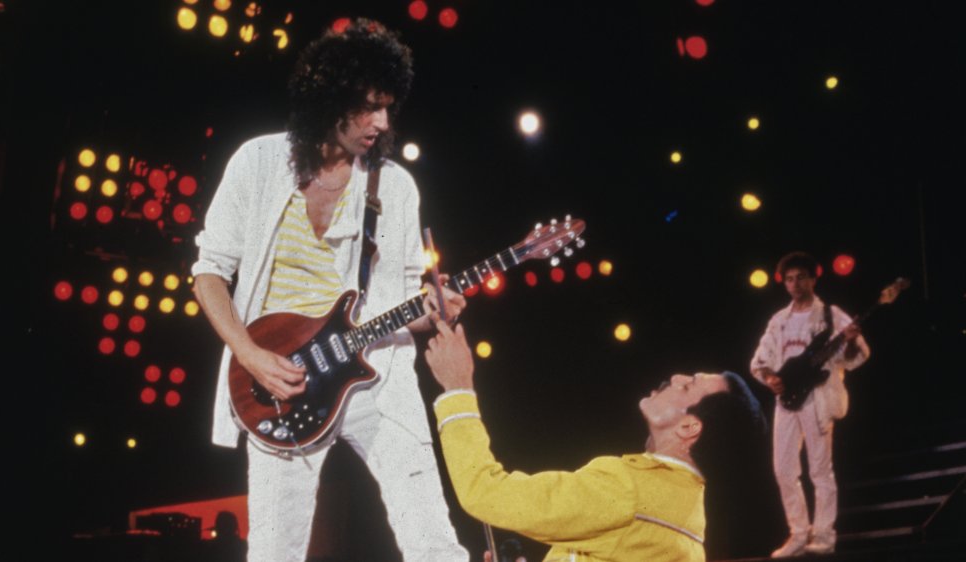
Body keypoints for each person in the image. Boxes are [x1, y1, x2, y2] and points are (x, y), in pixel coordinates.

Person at [191, 19, 469, 562]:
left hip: (376, 377)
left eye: (388, 107)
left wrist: (431, 309)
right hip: (281, 381)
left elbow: (399, 303)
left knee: (432, 539)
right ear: (328, 98)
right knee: (274, 552)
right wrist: (249, 354)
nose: (381, 122)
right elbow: (209, 274)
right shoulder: (258, 162)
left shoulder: (395, 186)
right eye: (367, 107)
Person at [424, 320, 766, 562]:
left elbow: (486, 492)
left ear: (689, 427)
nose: (676, 377)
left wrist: (457, 387)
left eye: (689, 385)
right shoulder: (687, 515)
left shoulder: (629, 489)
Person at [750, 251, 870, 557]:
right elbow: (761, 358)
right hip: (787, 398)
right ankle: (799, 533)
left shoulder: (831, 315)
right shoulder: (779, 320)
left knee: (819, 469)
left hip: (817, 398)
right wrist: (769, 377)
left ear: (813, 278)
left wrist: (853, 339)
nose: (795, 283)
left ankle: (825, 534)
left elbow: (857, 355)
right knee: (783, 469)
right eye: (789, 279)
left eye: (800, 276)